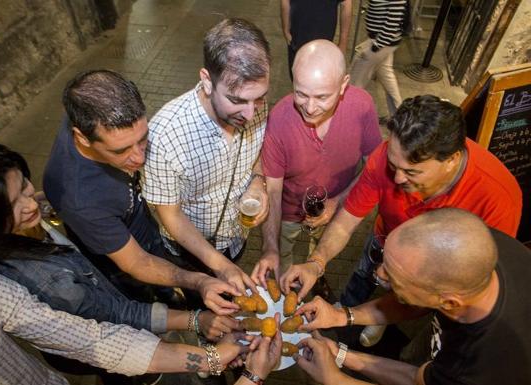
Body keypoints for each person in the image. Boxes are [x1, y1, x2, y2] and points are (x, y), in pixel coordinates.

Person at [0, 136, 242, 384]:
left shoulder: (11, 225)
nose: (30, 203)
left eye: (24, 184)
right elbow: (105, 333)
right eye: (11, 205)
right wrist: (208, 348)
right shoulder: (28, 282)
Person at [281, 95, 522, 345]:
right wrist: (316, 262)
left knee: (400, 297)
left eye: (411, 172)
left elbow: (463, 287)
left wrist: (404, 294)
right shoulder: (386, 156)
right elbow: (344, 222)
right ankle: (350, 311)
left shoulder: (498, 198)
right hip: (381, 240)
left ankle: (381, 318)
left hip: (429, 275)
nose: (396, 179)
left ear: (451, 160)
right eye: (393, 165)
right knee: (362, 276)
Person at [43, 70, 240, 315]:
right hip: (122, 262)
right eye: (121, 151)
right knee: (148, 301)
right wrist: (199, 281)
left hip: (146, 230)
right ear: (82, 138)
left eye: (143, 138)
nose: (140, 157)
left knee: (171, 283)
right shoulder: (79, 198)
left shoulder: (90, 106)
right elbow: (137, 263)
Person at [0, 259, 283, 385]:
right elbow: (92, 339)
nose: (34, 199)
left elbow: (107, 316)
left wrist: (197, 321)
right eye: (18, 198)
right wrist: (246, 374)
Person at [293, 208, 531, 385]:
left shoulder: (475, 367)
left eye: (395, 279)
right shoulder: (477, 245)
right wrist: (341, 318)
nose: (377, 273)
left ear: (449, 302)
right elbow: (420, 373)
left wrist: (335, 379)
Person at [143, 18, 271, 301]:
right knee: (202, 310)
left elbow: (262, 151)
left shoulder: (253, 103)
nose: (251, 114)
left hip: (236, 238)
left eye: (259, 99)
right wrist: (220, 266)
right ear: (206, 81)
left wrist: (258, 181)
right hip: (192, 252)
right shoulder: (165, 135)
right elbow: (169, 214)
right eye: (237, 101)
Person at [252, 39, 381, 286]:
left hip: (333, 209)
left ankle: (316, 278)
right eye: (301, 94)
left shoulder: (362, 106)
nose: (310, 108)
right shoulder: (279, 119)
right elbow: (274, 190)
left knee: (320, 250)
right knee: (283, 253)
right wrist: (270, 248)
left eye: (322, 97)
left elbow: (373, 169)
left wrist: (338, 201)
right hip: (287, 212)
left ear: (343, 85)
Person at [350, 0, 407, 120]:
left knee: (353, 85)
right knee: (388, 79)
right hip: (383, 43)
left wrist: (376, 46)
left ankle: (347, 120)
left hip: (380, 43)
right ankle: (399, 118)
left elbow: (393, 22)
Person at [281, 0, 353, 78]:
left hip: (320, 39)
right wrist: (286, 29)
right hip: (298, 37)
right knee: (298, 75)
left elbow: (346, 5)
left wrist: (343, 42)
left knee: (319, 76)